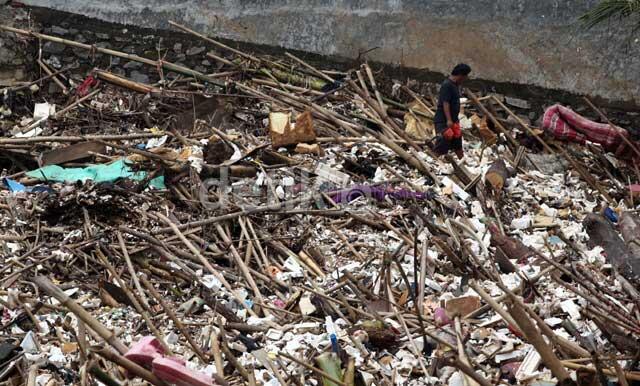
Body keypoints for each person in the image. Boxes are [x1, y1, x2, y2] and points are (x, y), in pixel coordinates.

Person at [432, 63, 472, 159]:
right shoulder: (447, 85)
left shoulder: (455, 85)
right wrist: (449, 120)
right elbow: (446, 103)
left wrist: (454, 120)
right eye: (465, 76)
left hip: (454, 120)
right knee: (445, 139)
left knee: (457, 140)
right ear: (460, 75)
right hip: (443, 120)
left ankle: (463, 162)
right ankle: (434, 159)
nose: (465, 79)